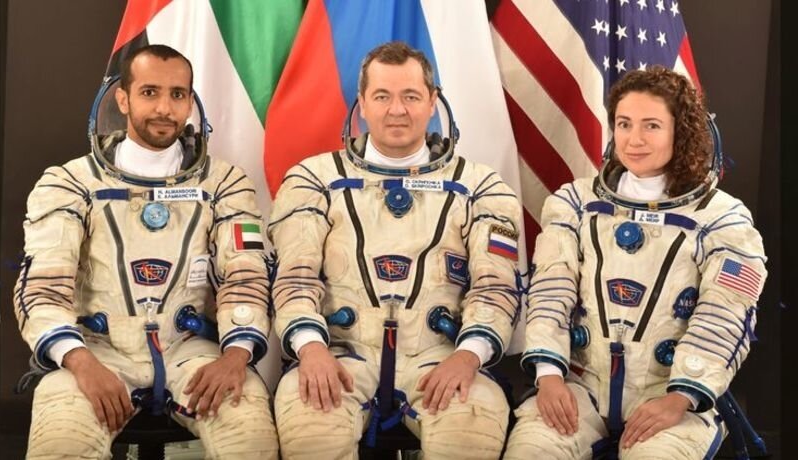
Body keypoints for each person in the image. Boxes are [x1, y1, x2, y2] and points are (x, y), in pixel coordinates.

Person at [13, 44, 278, 459]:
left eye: (177, 94)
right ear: (123, 99)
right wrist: (79, 361)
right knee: (61, 446)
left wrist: (235, 355)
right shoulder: (69, 184)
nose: (164, 108)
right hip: (95, 349)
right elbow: (43, 288)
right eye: (150, 92)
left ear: (190, 102)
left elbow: (246, 275)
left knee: (252, 440)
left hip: (191, 349)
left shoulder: (225, 185)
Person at [267, 41, 522, 459]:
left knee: (469, 436)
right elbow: (295, 276)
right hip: (339, 355)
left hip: (442, 357)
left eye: (411, 96)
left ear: (433, 101)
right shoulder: (314, 179)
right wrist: (310, 347)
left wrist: (469, 355)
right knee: (313, 435)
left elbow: (495, 287)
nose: (397, 110)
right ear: (362, 103)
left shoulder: (480, 187)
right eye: (383, 96)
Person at [504, 65, 767, 459]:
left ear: (681, 131)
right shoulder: (575, 204)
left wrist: (680, 397)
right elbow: (549, 292)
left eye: (652, 126)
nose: (634, 139)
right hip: (578, 387)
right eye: (624, 124)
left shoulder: (721, 219)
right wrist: (549, 375)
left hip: (670, 395)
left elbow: (725, 315)